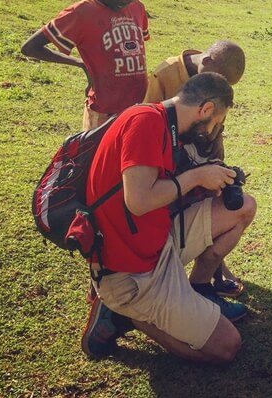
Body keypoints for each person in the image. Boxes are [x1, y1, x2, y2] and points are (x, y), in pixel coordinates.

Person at [81, 72, 257, 363]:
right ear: (206, 109)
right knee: (227, 347)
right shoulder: (146, 122)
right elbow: (138, 201)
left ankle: (197, 288)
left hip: (157, 241)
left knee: (243, 207)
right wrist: (197, 176)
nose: (213, 131)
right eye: (217, 122)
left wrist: (207, 178)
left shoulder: (163, 121)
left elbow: (159, 190)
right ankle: (129, 315)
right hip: (132, 272)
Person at [144, 40, 246, 297]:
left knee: (218, 206)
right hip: (168, 163)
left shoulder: (215, 83)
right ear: (208, 61)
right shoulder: (166, 74)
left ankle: (211, 270)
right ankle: (169, 272)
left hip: (204, 156)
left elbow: (215, 126)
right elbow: (147, 118)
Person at [21, 0, 149, 131]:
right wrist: (80, 63)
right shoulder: (81, 13)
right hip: (104, 113)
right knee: (96, 158)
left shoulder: (138, 8)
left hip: (139, 108)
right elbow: (30, 47)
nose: (124, 1)